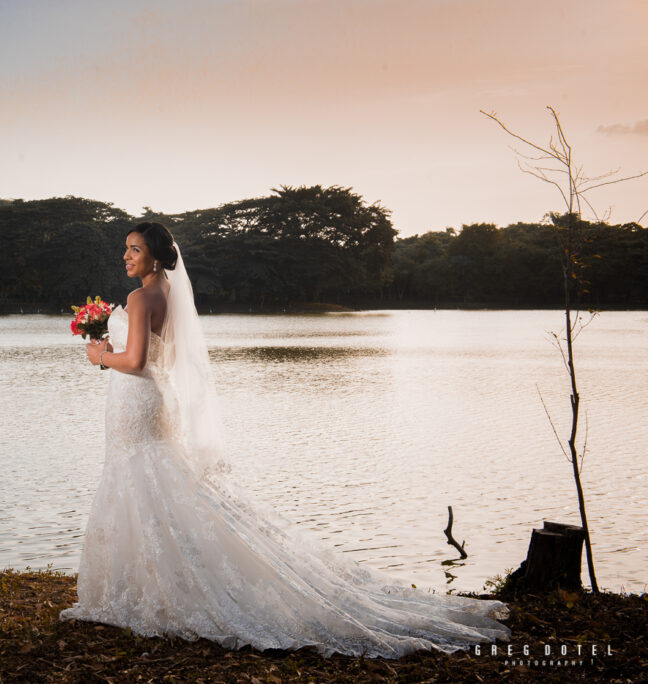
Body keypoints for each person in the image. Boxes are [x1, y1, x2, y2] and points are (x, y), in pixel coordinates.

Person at [60, 222, 510, 657]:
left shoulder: (141, 298)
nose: (126, 256)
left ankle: (145, 589)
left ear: (155, 256)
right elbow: (164, 356)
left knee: (143, 480)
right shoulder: (169, 294)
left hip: (137, 399)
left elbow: (136, 360)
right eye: (126, 248)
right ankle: (149, 584)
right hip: (150, 400)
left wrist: (100, 354)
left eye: (134, 249)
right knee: (153, 482)